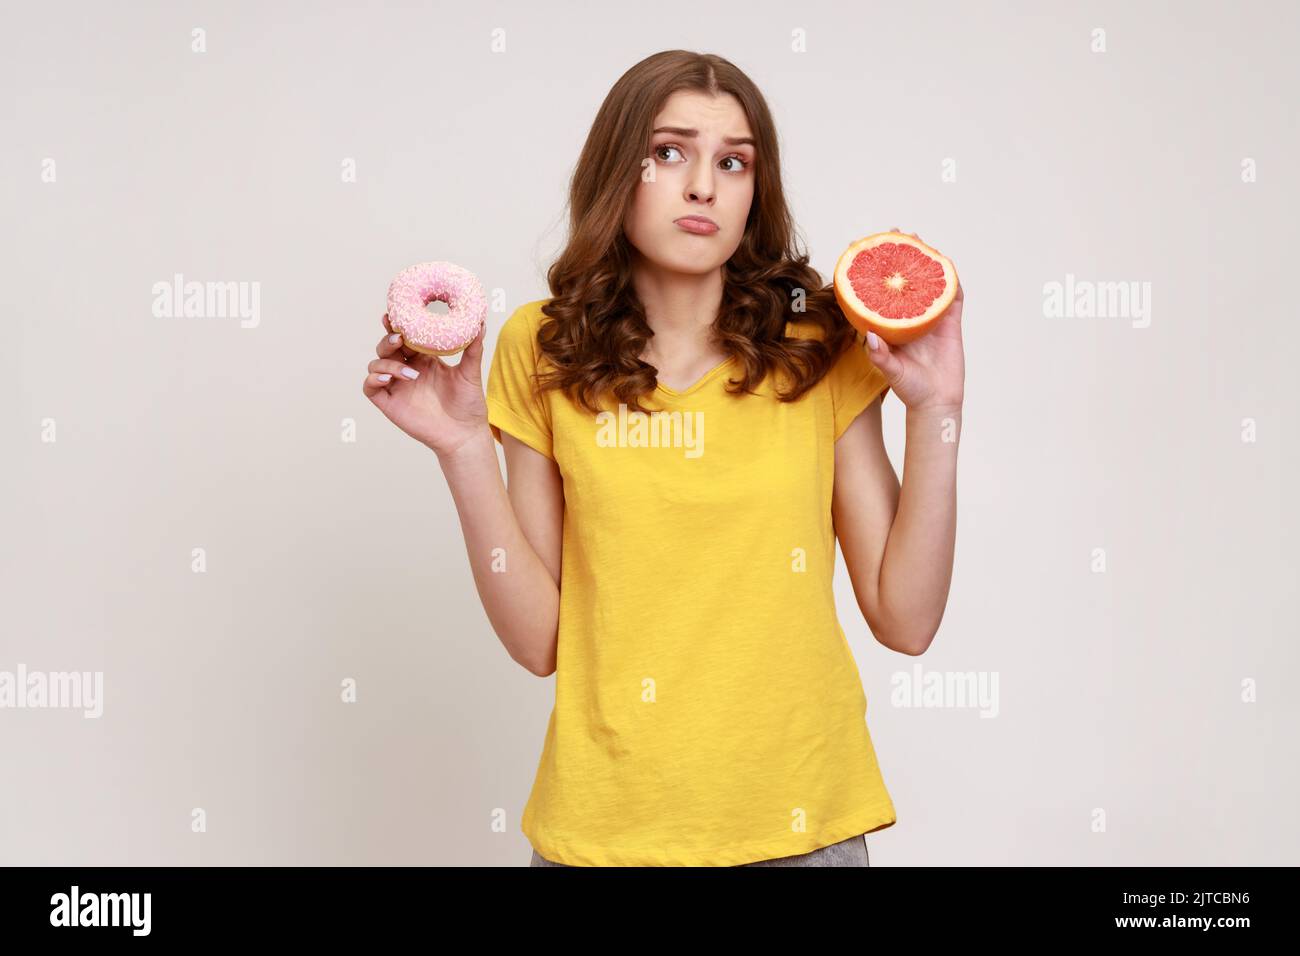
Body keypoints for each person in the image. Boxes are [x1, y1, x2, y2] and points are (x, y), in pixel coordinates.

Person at [362, 50, 964, 867]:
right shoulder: (540, 348)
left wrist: (937, 412)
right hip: (601, 836)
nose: (704, 187)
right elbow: (541, 643)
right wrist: (465, 448)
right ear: (620, 169)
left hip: (799, 827)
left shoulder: (818, 341)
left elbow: (908, 618)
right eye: (669, 152)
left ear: (757, 188)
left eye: (734, 161)